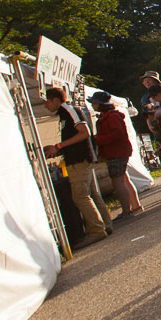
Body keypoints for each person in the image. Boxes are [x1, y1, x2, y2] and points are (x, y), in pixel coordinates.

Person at [43, 86, 111, 247]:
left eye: (47, 101)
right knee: (92, 194)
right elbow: (76, 137)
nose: (45, 105)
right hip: (80, 158)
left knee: (80, 196)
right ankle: (106, 224)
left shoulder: (69, 110)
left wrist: (58, 146)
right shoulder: (65, 112)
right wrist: (58, 149)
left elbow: (84, 132)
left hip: (79, 160)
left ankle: (96, 230)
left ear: (55, 100)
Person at [88, 90, 143, 220]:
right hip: (118, 151)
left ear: (100, 104)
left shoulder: (111, 117)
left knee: (118, 182)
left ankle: (127, 211)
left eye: (94, 103)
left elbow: (117, 134)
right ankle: (135, 206)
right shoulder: (111, 116)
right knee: (124, 180)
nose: (92, 105)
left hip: (116, 152)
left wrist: (99, 139)